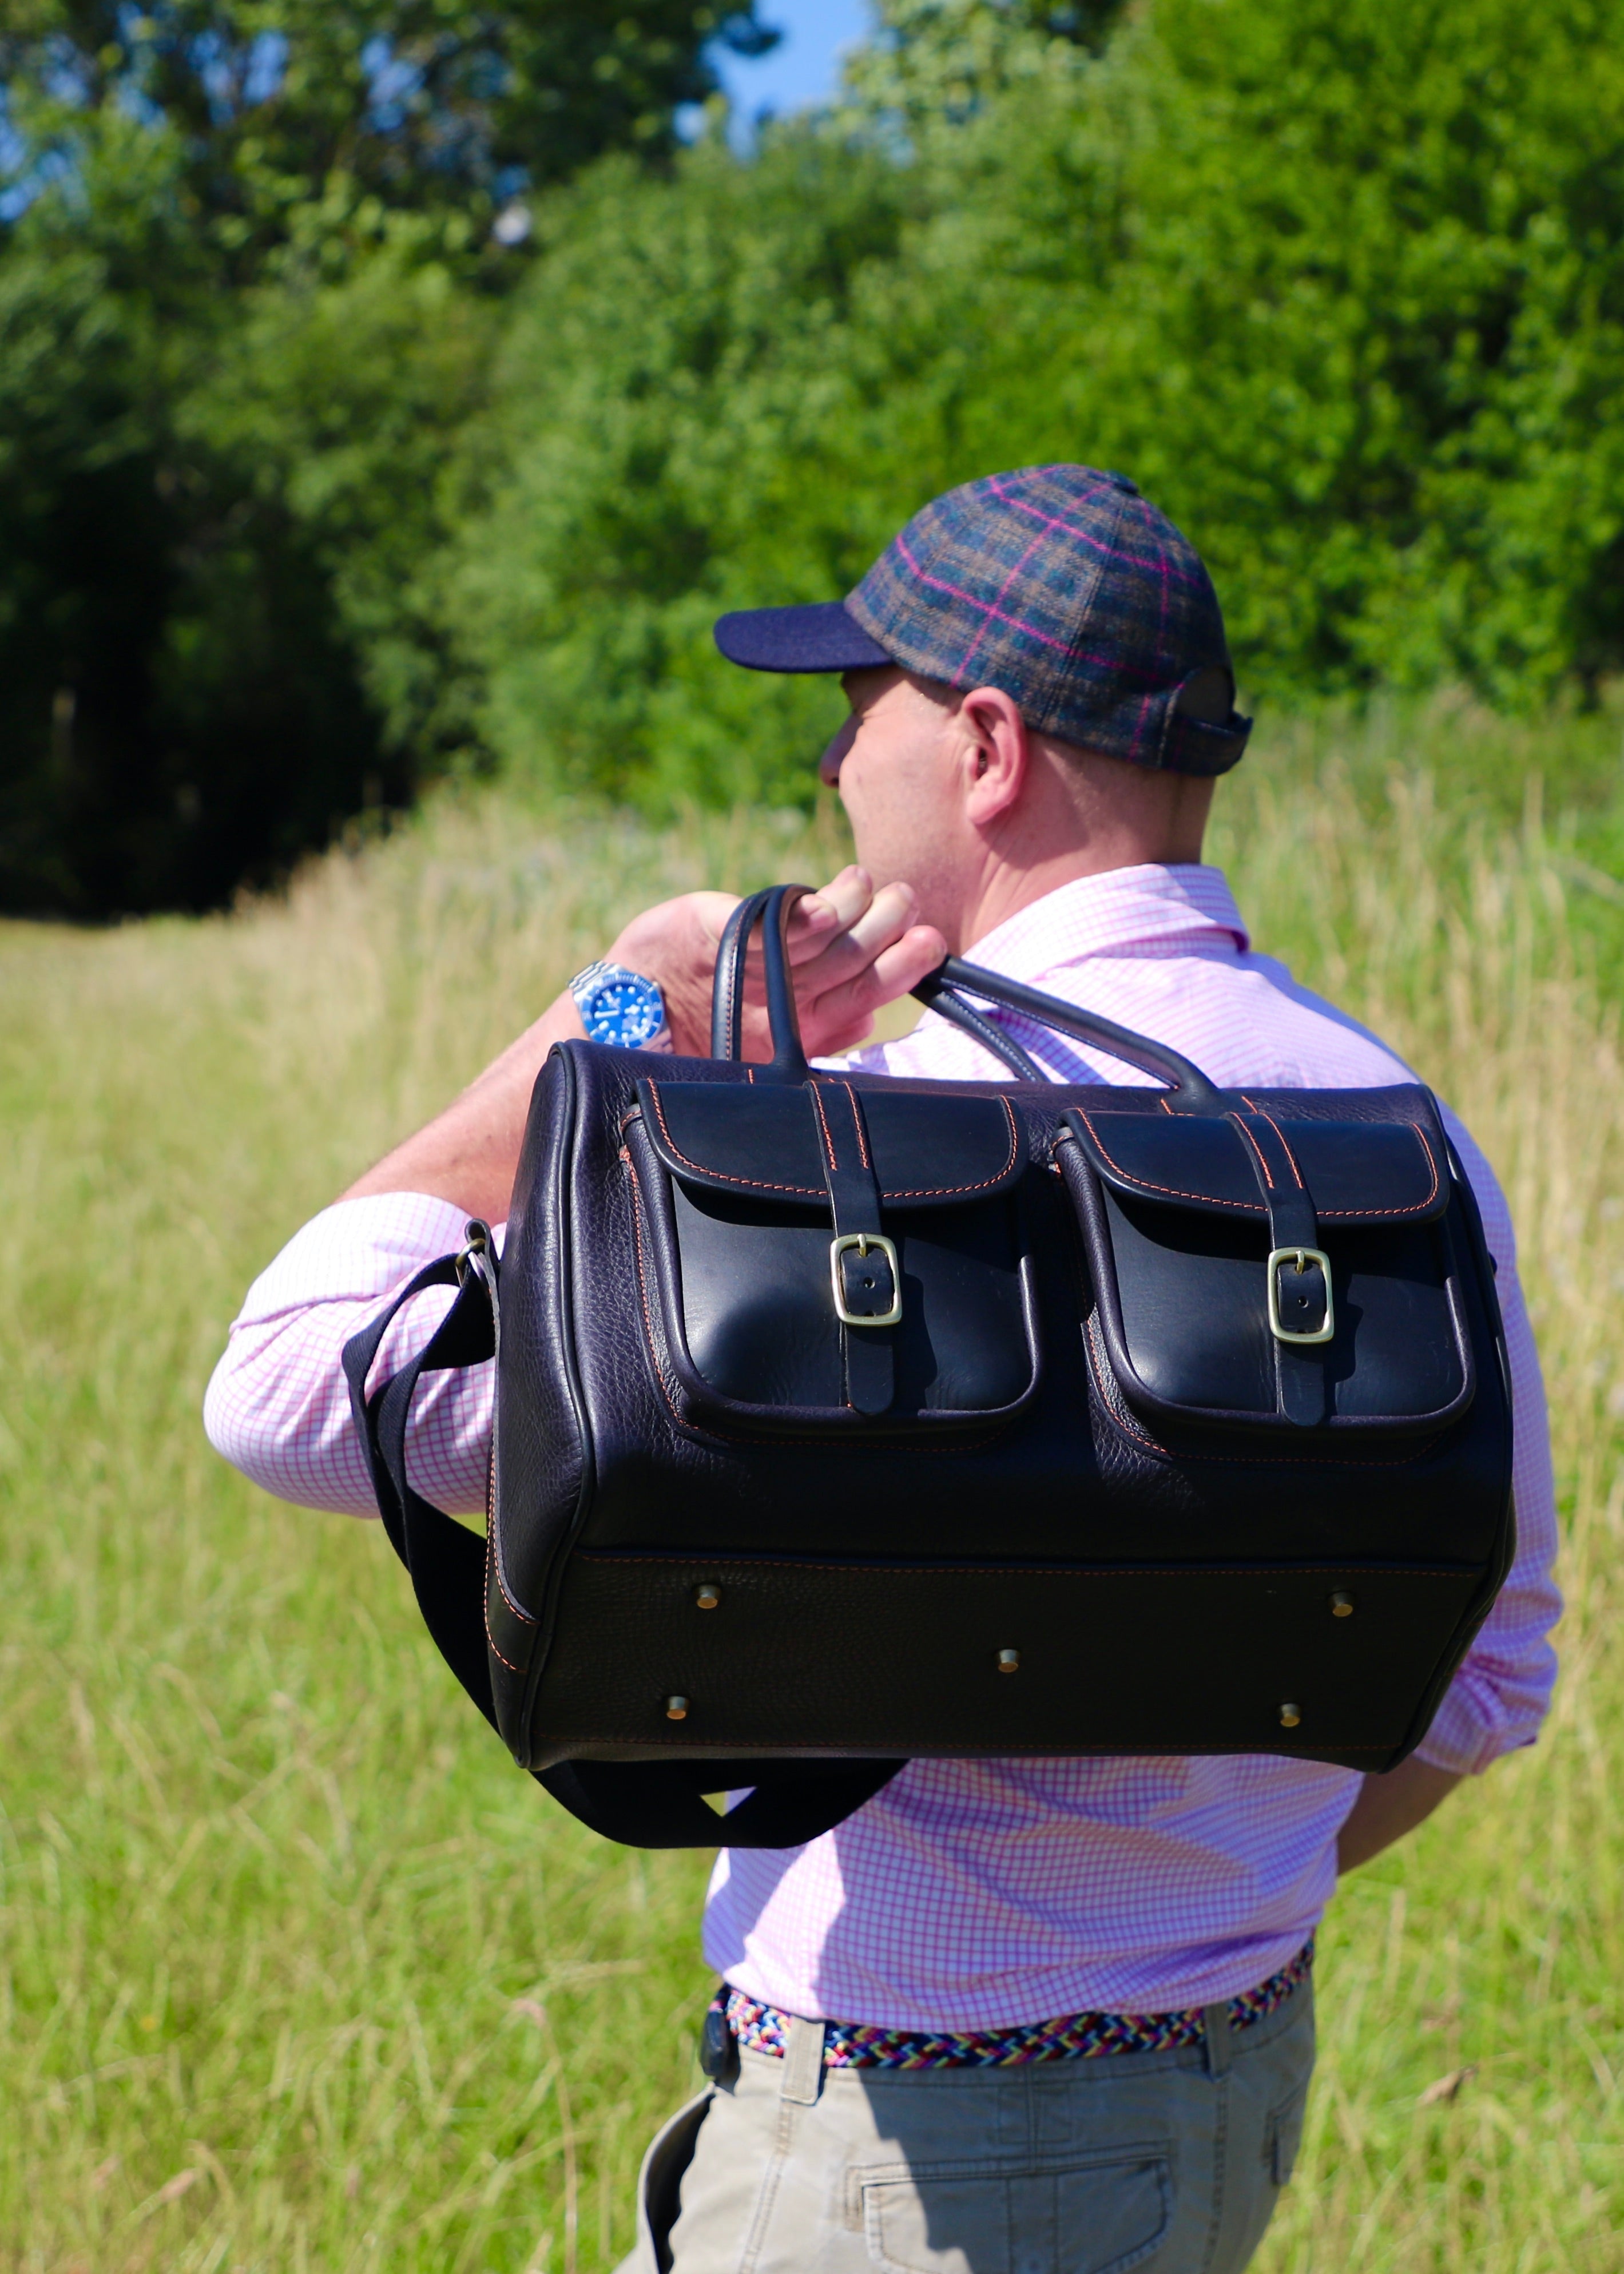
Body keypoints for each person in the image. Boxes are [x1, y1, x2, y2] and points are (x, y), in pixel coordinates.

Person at [205, 465, 1560, 2274]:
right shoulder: (1400, 1140)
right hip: (1223, 2096)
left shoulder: (842, 1158)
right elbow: (1494, 1667)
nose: (836, 768)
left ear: (986, 747)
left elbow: (295, 1385)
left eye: (862, 714)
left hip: (898, 2158)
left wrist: (612, 1027)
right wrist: (1196, 1909)